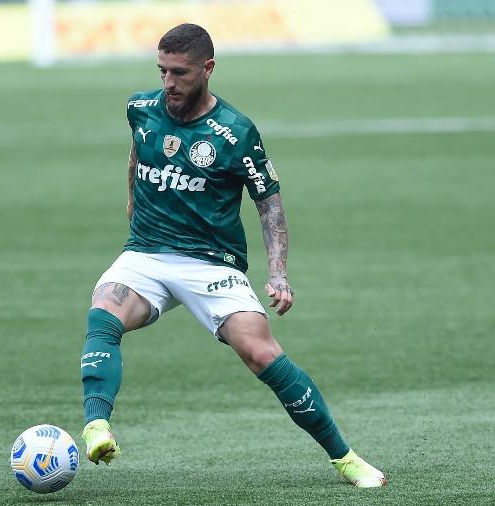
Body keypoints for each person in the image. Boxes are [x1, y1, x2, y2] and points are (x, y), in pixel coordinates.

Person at [79, 23, 386, 488]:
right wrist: (131, 203)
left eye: (179, 73)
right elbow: (136, 154)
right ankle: (96, 426)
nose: (168, 83)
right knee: (104, 311)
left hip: (211, 261)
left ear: (207, 68)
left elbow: (269, 202)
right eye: (161, 71)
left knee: (262, 353)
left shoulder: (236, 132)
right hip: (147, 252)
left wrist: (278, 273)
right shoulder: (140, 108)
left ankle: (345, 458)